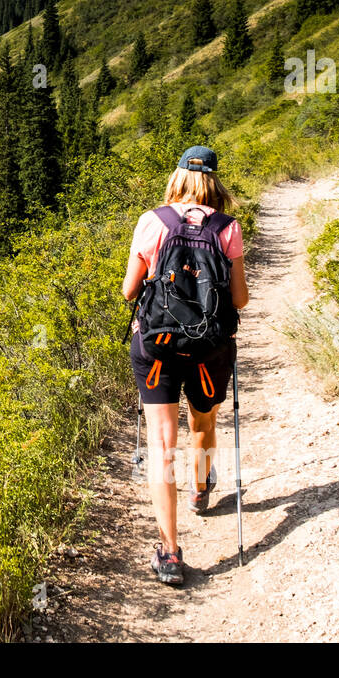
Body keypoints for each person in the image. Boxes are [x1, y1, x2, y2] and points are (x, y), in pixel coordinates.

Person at [121, 146, 249, 586]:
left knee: (161, 444)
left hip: (157, 345)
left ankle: (170, 553)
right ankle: (200, 487)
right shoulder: (228, 228)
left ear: (177, 176)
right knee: (204, 420)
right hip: (210, 349)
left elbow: (128, 290)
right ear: (216, 181)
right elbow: (239, 299)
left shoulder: (153, 221)